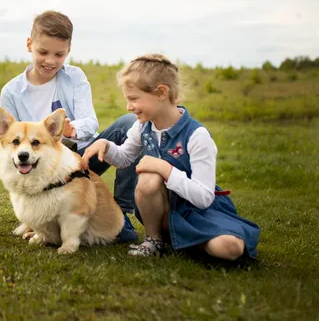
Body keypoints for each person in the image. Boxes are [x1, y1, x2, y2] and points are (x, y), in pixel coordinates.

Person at [81, 53, 261, 261]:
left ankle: (183, 241)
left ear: (161, 93)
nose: (128, 107)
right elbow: (125, 158)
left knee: (230, 249)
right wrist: (107, 146)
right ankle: (154, 239)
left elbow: (204, 198)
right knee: (149, 176)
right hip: (162, 210)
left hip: (199, 213)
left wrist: (165, 169)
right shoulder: (142, 127)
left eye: (133, 99)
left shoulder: (197, 136)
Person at [0, 10, 139, 242]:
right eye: (43, 52)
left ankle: (121, 212)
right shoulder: (11, 92)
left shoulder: (75, 77)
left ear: (68, 50)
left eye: (59, 54)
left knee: (130, 123)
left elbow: (90, 120)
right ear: (29, 44)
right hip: (45, 165)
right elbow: (11, 147)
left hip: (82, 157)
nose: (50, 61)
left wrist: (72, 130)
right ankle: (40, 220)